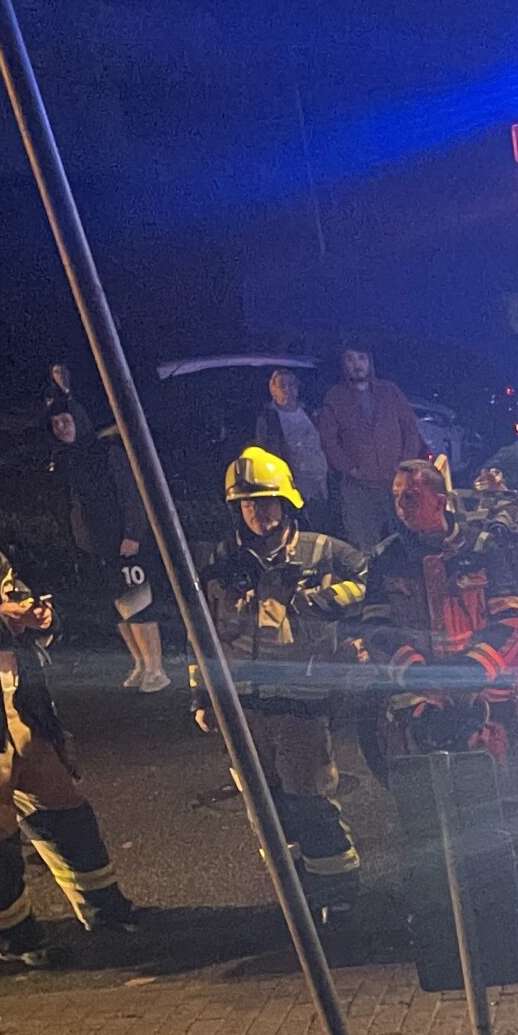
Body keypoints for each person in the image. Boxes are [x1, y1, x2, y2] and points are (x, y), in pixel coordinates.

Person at [0, 474, 136, 967]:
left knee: (66, 810)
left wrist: (41, 619)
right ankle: (13, 937)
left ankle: (104, 907)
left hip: (21, 710)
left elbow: (20, 599)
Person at [201, 448, 367, 915]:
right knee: (264, 807)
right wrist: (201, 695)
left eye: (266, 501)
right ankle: (294, 896)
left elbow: (371, 578)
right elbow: (203, 632)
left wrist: (324, 601)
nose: (258, 511)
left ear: (287, 501)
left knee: (309, 800)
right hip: (243, 705)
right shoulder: (222, 560)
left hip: (301, 701)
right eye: (247, 503)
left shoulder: (323, 551)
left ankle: (338, 895)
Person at [47, 400, 168, 691]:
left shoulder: (107, 453)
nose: (61, 428)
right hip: (96, 548)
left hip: (124, 543)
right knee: (118, 609)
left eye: (66, 421)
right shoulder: (68, 459)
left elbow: (131, 494)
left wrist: (133, 535)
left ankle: (156, 669)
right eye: (55, 424)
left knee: (138, 605)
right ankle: (139, 663)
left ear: (79, 420)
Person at [317, 344, 426, 548]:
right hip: (358, 488)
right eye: (350, 359)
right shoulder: (336, 397)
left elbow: (410, 428)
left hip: (396, 484)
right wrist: (349, 467)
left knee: (406, 539)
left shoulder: (389, 391)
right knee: (364, 545)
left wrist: (405, 463)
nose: (357, 365)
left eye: (361, 358)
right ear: (343, 364)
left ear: (370, 362)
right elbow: (328, 439)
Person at [253, 368, 331, 527]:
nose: (287, 390)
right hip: (294, 485)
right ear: (273, 390)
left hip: (321, 482)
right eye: (282, 386)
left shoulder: (309, 412)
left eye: (291, 385)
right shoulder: (268, 419)